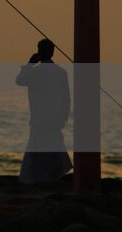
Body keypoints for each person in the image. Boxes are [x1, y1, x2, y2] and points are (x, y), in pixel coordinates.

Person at [16, 38, 72, 185]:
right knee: (54, 148)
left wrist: (29, 64)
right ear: (52, 52)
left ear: (40, 51)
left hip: (39, 118)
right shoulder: (61, 72)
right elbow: (66, 98)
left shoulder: (36, 72)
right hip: (55, 119)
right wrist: (64, 117)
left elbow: (20, 80)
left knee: (36, 148)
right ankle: (52, 177)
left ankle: (35, 179)